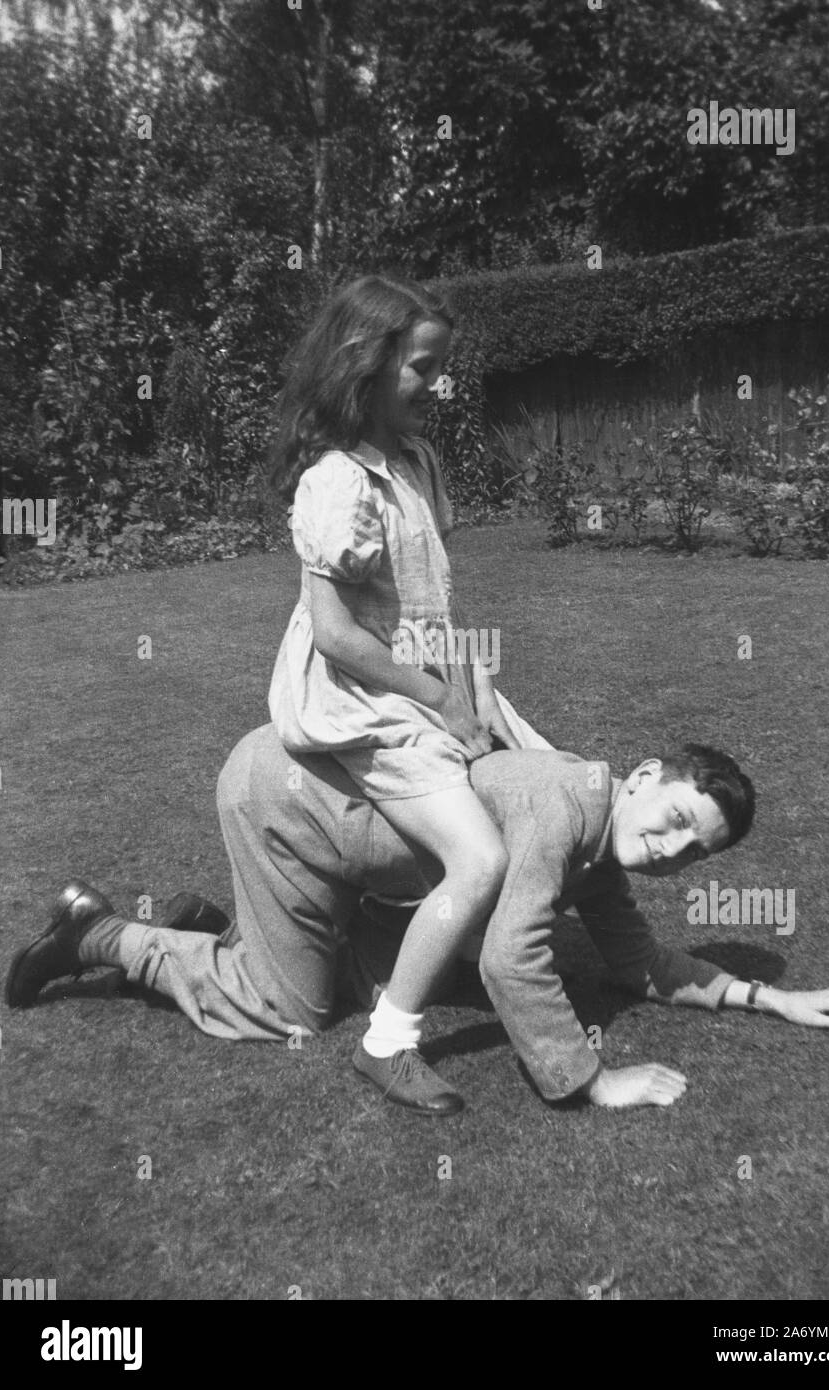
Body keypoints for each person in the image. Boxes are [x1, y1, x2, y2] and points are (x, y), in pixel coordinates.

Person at [5, 734, 829, 1115]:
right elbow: (509, 958)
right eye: (677, 818)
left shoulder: (604, 836)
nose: (674, 849)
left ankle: (222, 934)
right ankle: (97, 933)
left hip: (349, 839)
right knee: (293, 1013)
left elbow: (636, 960)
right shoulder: (561, 808)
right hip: (290, 808)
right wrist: (592, 1078)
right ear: (644, 775)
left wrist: (767, 1000)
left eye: (695, 853)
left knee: (364, 968)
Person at [265, 273, 541, 1109]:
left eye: (439, 366)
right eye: (421, 367)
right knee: (480, 856)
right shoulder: (337, 480)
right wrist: (436, 698)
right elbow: (341, 635)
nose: (435, 384)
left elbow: (434, 603)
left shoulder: (415, 461)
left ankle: (475, 955)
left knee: (541, 773)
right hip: (367, 698)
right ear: (364, 366)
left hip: (426, 678)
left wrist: (476, 688)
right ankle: (389, 1040)